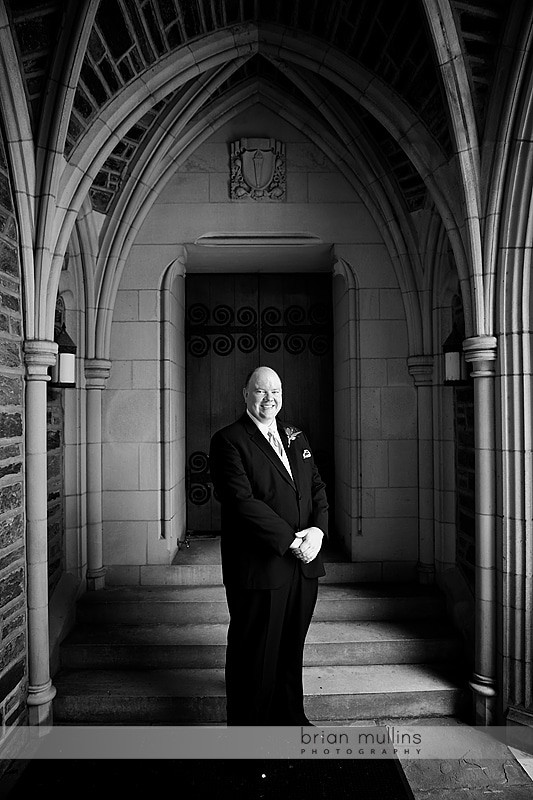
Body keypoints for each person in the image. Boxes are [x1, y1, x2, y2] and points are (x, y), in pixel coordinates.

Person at [209, 365, 328, 726]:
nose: (269, 399)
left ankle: (291, 717)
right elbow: (242, 502)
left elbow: (317, 488)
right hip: (260, 568)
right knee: (254, 654)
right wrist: (292, 540)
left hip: (303, 566)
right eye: (261, 391)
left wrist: (318, 533)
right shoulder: (229, 440)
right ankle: (248, 731)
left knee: (291, 650)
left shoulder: (296, 436)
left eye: (275, 392)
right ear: (246, 394)